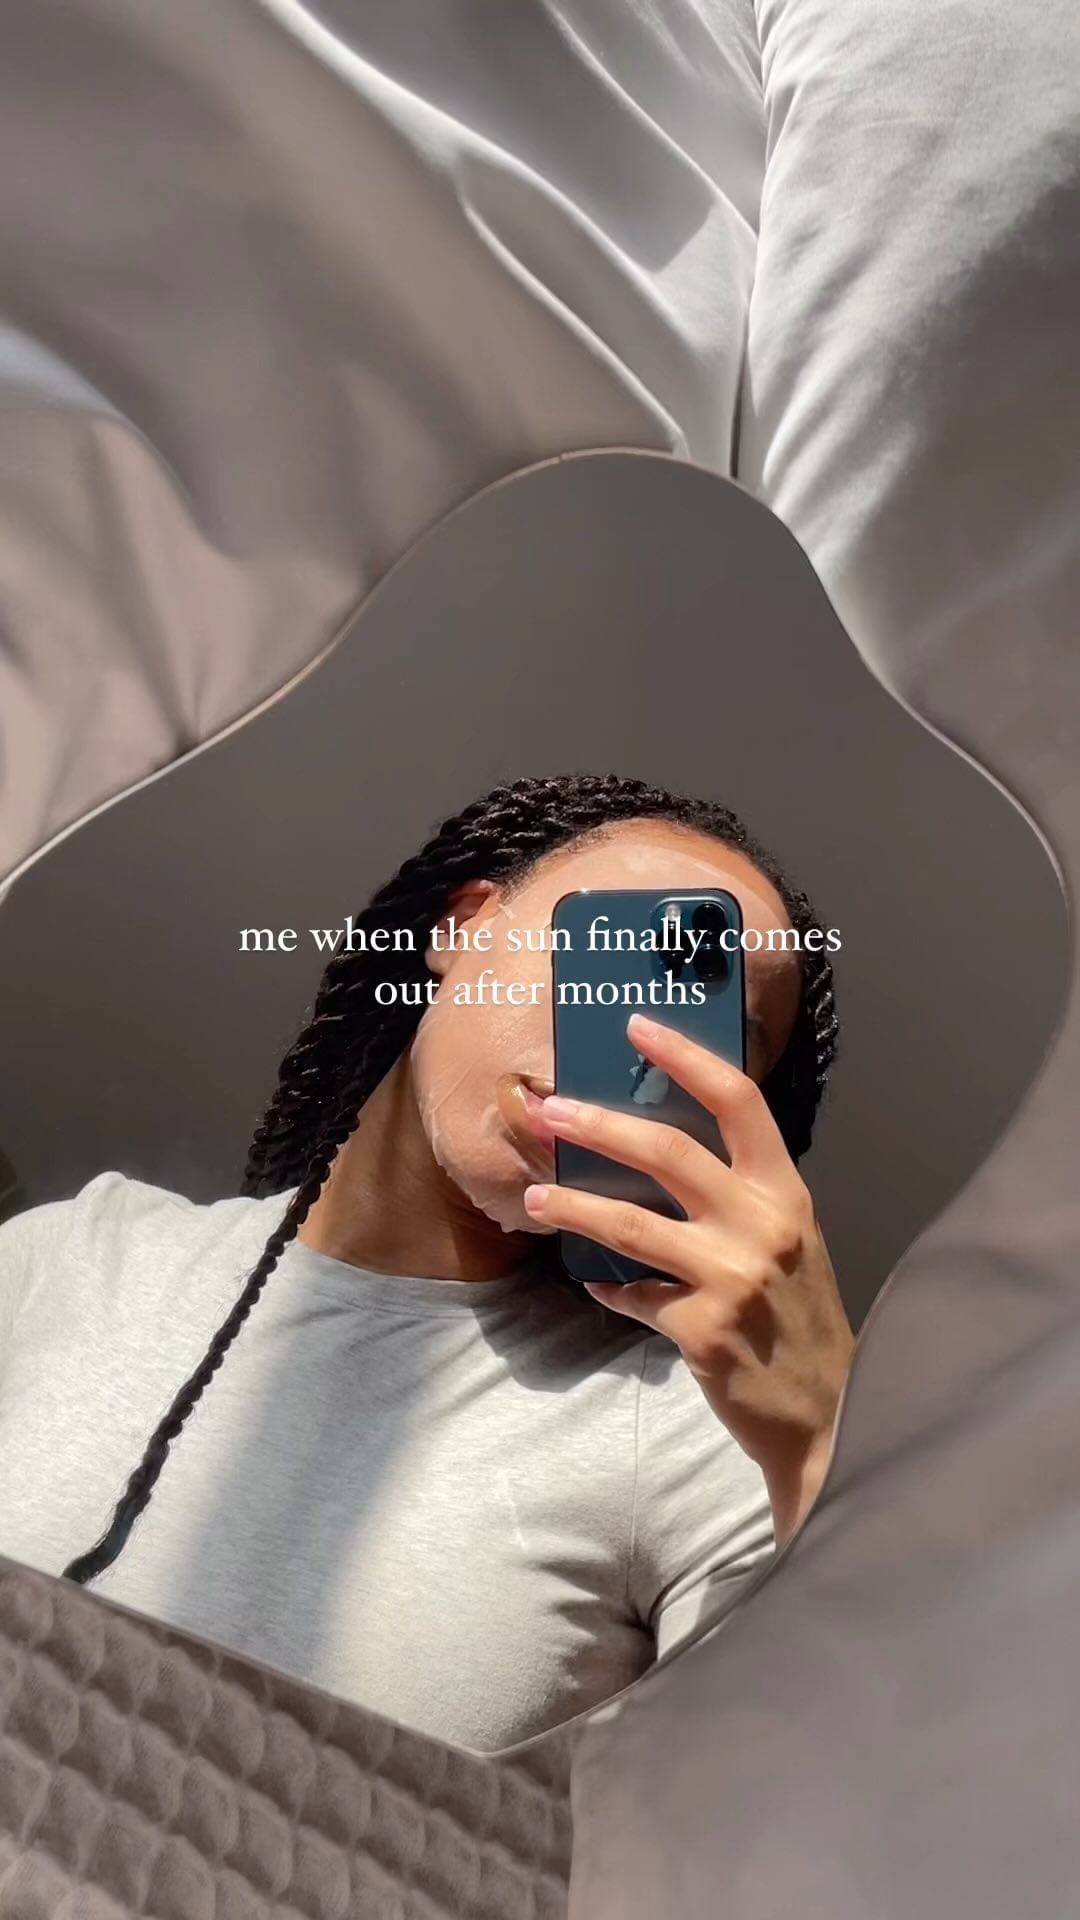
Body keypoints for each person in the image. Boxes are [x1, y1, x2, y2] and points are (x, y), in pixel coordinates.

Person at [0, 772, 853, 1751]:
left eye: (708, 1023)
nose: (635, 1035)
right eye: (604, 955)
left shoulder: (702, 1435)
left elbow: (858, 1785)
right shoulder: (80, 1253)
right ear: (461, 927)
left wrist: (824, 1436)